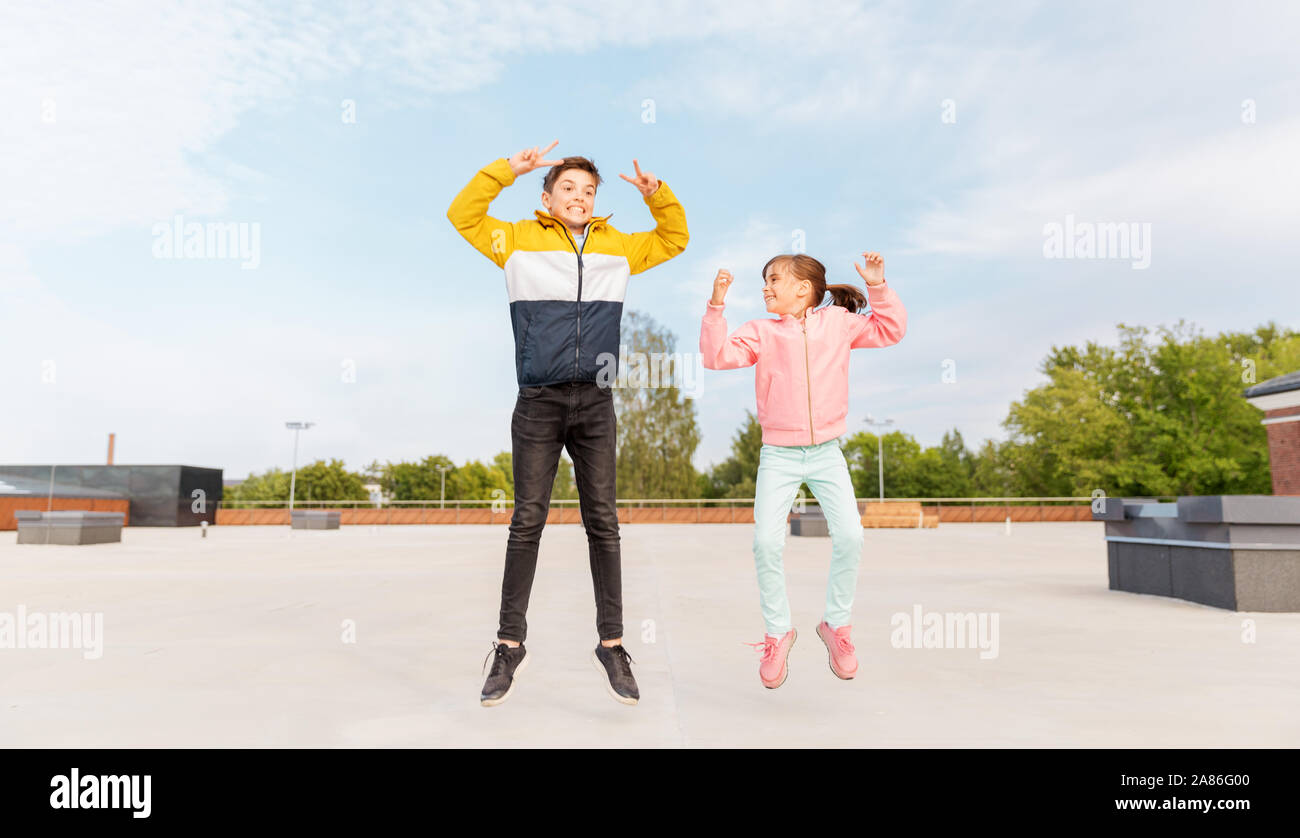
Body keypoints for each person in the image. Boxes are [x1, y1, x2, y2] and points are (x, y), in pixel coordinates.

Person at [447, 140, 689, 706]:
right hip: (539, 400)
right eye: (568, 189)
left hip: (597, 404)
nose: (579, 197)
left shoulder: (620, 248)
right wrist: (506, 169)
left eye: (588, 191)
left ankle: (612, 644)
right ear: (548, 198)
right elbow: (463, 215)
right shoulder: (515, 241)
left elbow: (675, 238)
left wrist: (660, 197)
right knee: (526, 521)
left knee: (603, 521)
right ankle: (509, 646)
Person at [698, 252, 906, 688]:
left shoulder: (839, 324)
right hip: (779, 454)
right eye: (764, 281)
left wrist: (878, 286)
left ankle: (836, 626)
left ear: (803, 287)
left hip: (828, 452)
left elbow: (891, 330)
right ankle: (778, 633)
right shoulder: (761, 332)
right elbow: (716, 356)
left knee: (850, 536)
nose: (765, 288)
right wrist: (716, 306)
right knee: (766, 543)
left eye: (774, 279)